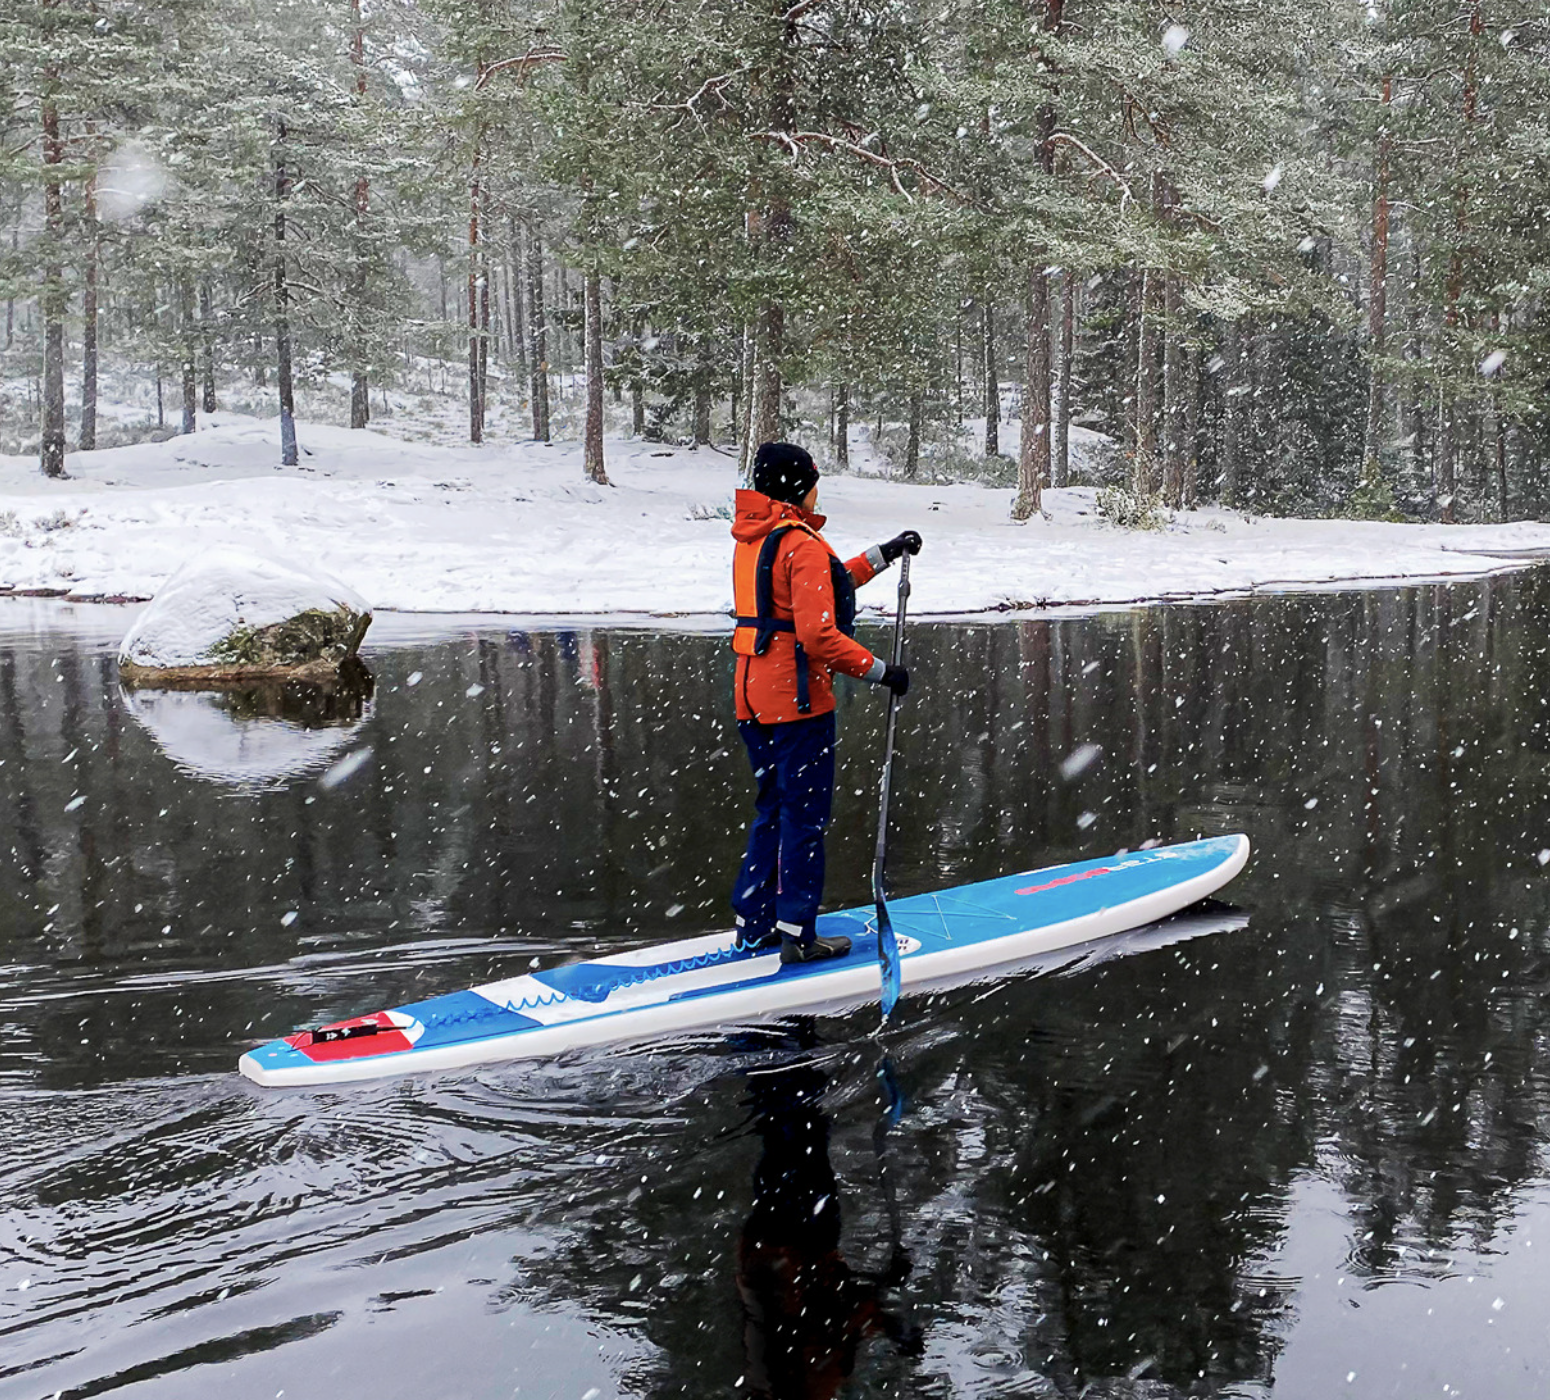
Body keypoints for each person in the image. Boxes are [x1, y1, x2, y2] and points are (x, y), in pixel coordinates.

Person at [730, 441, 921, 964]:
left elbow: (827, 586)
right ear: (798, 485)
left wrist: (885, 553)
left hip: (752, 697)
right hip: (797, 703)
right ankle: (798, 934)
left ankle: (754, 924)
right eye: (814, 479)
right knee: (804, 817)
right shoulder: (802, 544)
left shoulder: (755, 536)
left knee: (771, 807)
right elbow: (818, 636)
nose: (819, 488)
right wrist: (884, 673)